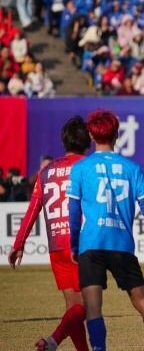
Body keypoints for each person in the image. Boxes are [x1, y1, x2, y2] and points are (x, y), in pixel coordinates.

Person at [68, 110, 144, 351]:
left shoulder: (81, 168)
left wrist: (74, 244)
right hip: (121, 244)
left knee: (93, 308)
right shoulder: (131, 167)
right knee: (142, 300)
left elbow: (73, 210)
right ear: (117, 134)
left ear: (91, 135)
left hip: (91, 244)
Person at [8, 117, 91, 351]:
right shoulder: (89, 167)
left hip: (57, 246)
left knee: (73, 307)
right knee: (86, 305)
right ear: (88, 142)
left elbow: (33, 208)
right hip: (81, 243)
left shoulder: (47, 170)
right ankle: (52, 341)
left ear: (64, 141)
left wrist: (18, 243)